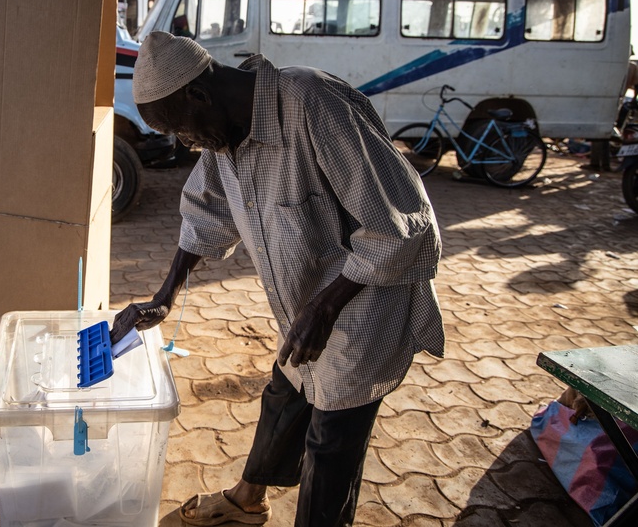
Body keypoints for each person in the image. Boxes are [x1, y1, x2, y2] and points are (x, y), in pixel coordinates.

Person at [111, 31, 444, 527]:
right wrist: (165, 295)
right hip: (312, 305)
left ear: (199, 94)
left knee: (332, 439)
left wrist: (327, 307)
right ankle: (248, 499)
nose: (188, 144)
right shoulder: (224, 131)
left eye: (184, 131)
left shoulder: (312, 104)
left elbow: (399, 225)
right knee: (287, 389)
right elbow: (207, 210)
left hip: (370, 297)